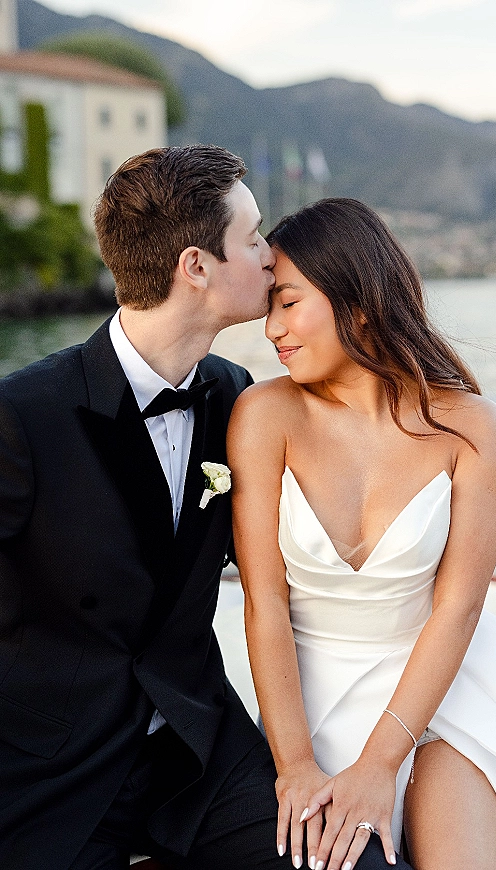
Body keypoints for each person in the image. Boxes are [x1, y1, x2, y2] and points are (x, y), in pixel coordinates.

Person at [0, 146, 377, 870]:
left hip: (199, 751)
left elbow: (324, 533)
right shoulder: (24, 416)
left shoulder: (239, 397)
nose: (272, 258)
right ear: (197, 266)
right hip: (51, 768)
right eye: (255, 237)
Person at [227, 198, 496, 870]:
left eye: (288, 303)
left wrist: (382, 761)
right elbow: (263, 604)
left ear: (358, 302)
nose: (270, 327)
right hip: (313, 696)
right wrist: (295, 764)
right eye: (269, 304)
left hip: (449, 682)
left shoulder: (470, 425)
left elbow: (459, 608)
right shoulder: (263, 414)